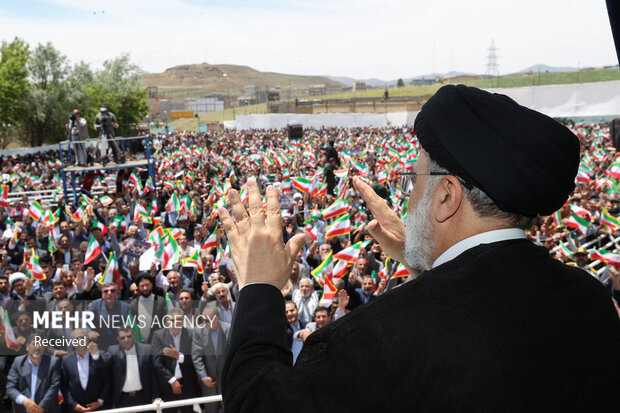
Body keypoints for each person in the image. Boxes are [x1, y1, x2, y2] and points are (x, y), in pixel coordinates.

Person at [218, 85, 620, 412]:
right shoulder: (590, 299)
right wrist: (422, 262)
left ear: (447, 196)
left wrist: (258, 286)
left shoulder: (379, 338)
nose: (408, 198)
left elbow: (256, 402)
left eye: (415, 180)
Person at [152, 308, 199, 413]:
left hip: (187, 384)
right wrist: (172, 381)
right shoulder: (158, 335)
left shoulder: (191, 334)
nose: (176, 323)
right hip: (168, 385)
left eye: (179, 320)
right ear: (168, 321)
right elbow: (156, 362)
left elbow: (196, 358)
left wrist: (178, 356)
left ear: (183, 320)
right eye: (173, 320)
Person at [6, 333, 62, 413]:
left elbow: (54, 387)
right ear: (27, 347)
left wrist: (39, 408)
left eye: (41, 344)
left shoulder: (53, 362)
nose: (37, 347)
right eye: (34, 343)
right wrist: (24, 401)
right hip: (23, 409)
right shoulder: (18, 362)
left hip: (46, 409)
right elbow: (10, 388)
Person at [104, 327, 158, 408]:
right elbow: (103, 364)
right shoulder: (112, 351)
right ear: (118, 339)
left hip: (144, 397)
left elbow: (153, 375)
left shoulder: (147, 350)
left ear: (134, 335)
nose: (126, 339)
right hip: (122, 400)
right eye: (123, 338)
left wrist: (155, 396)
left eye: (129, 336)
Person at [60, 328, 110, 412]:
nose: (80, 341)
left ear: (87, 339)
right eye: (76, 339)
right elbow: (64, 386)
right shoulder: (66, 360)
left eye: (82, 338)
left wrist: (100, 402)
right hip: (76, 409)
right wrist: (73, 405)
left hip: (98, 408)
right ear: (72, 342)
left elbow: (107, 380)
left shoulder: (98, 355)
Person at [192, 306, 230, 413]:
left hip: (226, 379)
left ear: (216, 318)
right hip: (208, 380)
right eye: (202, 319)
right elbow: (197, 357)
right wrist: (203, 377)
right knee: (210, 409)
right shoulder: (198, 331)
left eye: (207, 320)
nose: (204, 322)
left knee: (228, 406)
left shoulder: (229, 329)